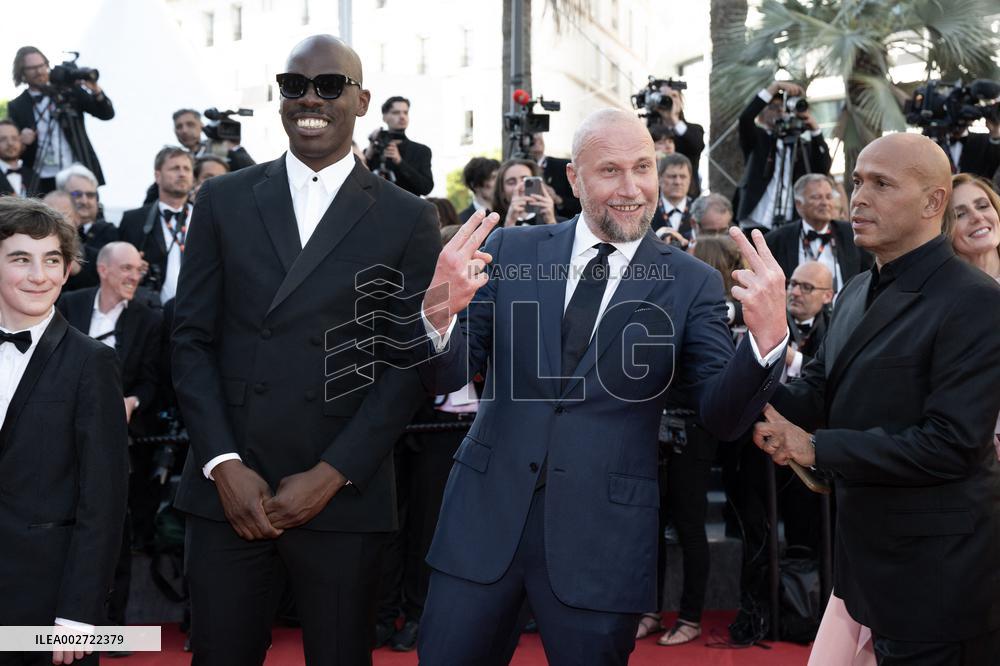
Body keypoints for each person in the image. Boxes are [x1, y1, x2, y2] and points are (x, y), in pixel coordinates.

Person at [416, 108, 789, 664]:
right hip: (481, 522)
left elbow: (723, 416)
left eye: (643, 167)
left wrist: (766, 342)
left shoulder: (692, 283)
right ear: (574, 179)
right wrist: (439, 305)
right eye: (610, 170)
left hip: (602, 538)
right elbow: (445, 377)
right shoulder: (513, 254)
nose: (632, 187)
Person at [171, 35, 440, 665]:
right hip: (230, 490)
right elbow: (189, 341)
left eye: (328, 85)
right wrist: (222, 465)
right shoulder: (223, 198)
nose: (309, 99)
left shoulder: (407, 217)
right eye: (294, 86)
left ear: (361, 99)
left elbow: (409, 362)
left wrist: (332, 474)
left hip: (342, 493)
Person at [757, 133, 1000, 664]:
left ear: (933, 202)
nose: (858, 198)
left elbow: (950, 444)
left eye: (881, 184)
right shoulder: (854, 293)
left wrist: (816, 448)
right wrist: (749, 383)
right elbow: (818, 388)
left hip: (939, 583)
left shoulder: (976, 303)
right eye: (857, 181)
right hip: (867, 572)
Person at [0, 196, 128, 665]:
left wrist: (79, 617)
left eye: (52, 260)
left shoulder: (92, 362)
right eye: (21, 259)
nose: (39, 275)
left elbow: (105, 499)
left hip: (48, 609)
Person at [56, 241, 162, 631]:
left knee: (112, 529)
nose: (135, 276)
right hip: (61, 435)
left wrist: (132, 402)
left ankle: (110, 626)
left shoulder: (149, 320)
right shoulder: (70, 305)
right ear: (103, 269)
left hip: (119, 441)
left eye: (139, 270)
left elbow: (154, 383)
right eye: (127, 269)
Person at [7, 46, 114, 194]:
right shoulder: (17, 106)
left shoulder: (68, 91)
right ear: (22, 72)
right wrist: (21, 141)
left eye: (41, 66)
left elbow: (106, 114)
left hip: (77, 171)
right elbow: (10, 149)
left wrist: (96, 91)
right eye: (32, 68)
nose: (39, 71)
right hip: (41, 178)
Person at [734, 80, 831, 231]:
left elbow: (822, 169)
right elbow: (745, 118)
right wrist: (774, 87)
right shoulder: (758, 138)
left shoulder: (801, 145)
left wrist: (815, 131)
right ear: (761, 115)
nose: (781, 111)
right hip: (756, 222)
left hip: (790, 222)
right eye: (774, 107)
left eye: (784, 107)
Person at [765, 174, 872, 292]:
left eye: (828, 197)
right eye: (817, 197)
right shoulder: (777, 240)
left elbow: (867, 276)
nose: (825, 203)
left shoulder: (852, 233)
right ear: (799, 205)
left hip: (846, 309)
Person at [118, 147, 194, 303]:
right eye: (175, 168)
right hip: (151, 312)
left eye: (187, 169)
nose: (182, 173)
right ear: (157, 176)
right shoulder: (134, 220)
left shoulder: (206, 217)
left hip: (201, 310)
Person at [58, 164, 117, 292]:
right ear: (61, 195)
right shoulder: (49, 233)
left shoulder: (112, 234)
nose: (84, 201)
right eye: (77, 194)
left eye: (90, 195)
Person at [365, 95, 434, 195]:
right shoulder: (373, 150)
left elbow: (426, 188)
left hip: (409, 209)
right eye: (396, 112)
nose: (402, 116)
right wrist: (368, 154)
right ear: (384, 117)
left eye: (405, 112)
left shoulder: (421, 151)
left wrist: (399, 162)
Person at [648, 83, 705, 197]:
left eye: (673, 96)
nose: (669, 100)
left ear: (681, 101)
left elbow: (697, 146)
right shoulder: (649, 132)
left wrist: (673, 119)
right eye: (664, 96)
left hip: (689, 195)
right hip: (657, 197)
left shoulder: (695, 129)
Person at [527, 132, 582, 218]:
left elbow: (581, 203)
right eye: (531, 136)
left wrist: (558, 199)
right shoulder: (515, 168)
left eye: (539, 134)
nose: (536, 138)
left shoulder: (563, 166)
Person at [490, 157, 558, 227]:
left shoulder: (560, 223)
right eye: (511, 182)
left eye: (526, 180)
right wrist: (509, 223)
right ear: (502, 191)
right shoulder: (490, 226)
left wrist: (551, 221)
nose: (519, 187)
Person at [650, 153, 695, 246]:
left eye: (683, 177)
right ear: (659, 178)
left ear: (690, 179)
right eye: (672, 176)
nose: (678, 182)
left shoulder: (700, 212)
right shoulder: (646, 211)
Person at [458, 156, 500, 222]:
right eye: (493, 177)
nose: (498, 182)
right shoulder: (461, 220)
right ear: (475, 185)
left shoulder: (507, 213)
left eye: (499, 177)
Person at [0, 119, 26, 196]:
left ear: (21, 141)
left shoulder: (33, 175)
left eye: (14, 138)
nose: (10, 143)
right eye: (3, 139)